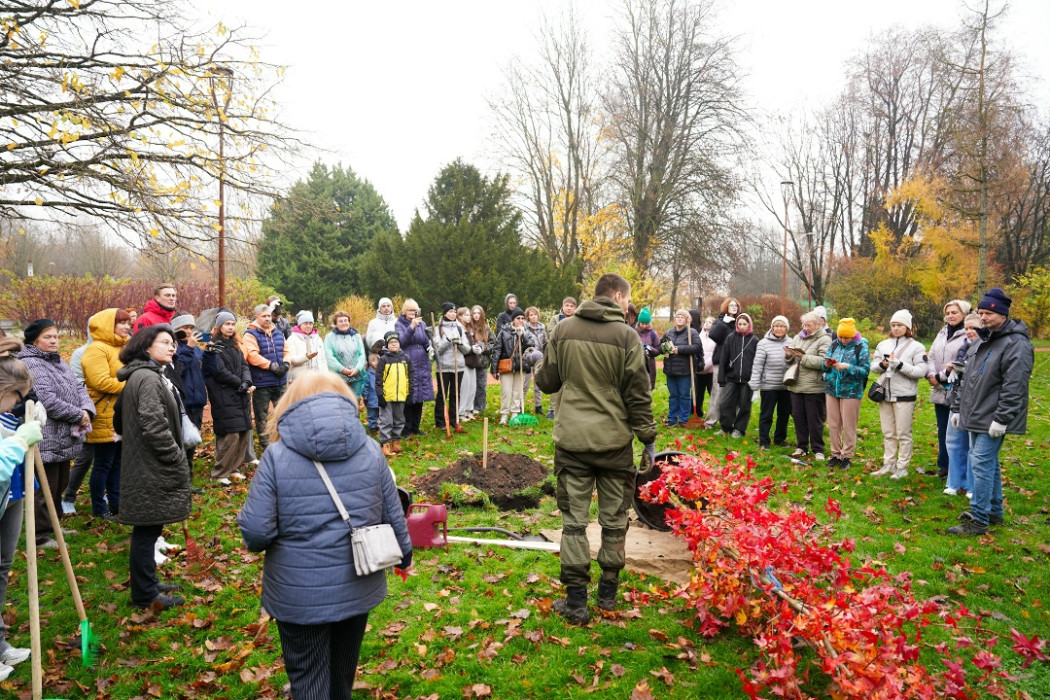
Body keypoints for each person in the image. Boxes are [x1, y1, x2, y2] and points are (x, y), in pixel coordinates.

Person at [237, 371, 412, 700]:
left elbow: (256, 533)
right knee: (342, 671)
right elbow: (394, 515)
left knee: (308, 677)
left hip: (299, 593)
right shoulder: (371, 450)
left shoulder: (275, 457)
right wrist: (405, 555)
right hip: (359, 582)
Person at [535, 274, 657, 625]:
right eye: (627, 299)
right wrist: (647, 438)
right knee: (614, 521)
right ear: (618, 296)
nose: (627, 305)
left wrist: (543, 358)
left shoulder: (563, 329)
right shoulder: (627, 337)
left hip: (572, 442)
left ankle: (576, 602)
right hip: (614, 444)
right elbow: (638, 395)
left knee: (573, 524)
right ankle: (607, 594)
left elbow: (547, 382)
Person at [115, 325, 192, 610]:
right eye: (164, 342)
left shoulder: (145, 375)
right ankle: (145, 594)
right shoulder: (147, 378)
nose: (172, 347)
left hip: (145, 462)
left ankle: (147, 583)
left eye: (173, 343)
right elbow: (152, 423)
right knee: (147, 530)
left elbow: (119, 417)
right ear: (146, 347)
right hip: (150, 464)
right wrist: (175, 455)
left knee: (149, 527)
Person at [947, 288, 1033, 536]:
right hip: (975, 413)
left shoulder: (1016, 344)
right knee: (987, 462)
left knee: (981, 462)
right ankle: (994, 512)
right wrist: (957, 408)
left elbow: (1015, 385)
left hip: (994, 416)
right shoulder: (983, 341)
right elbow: (966, 378)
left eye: (988, 314)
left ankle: (979, 518)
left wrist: (1002, 418)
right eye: (980, 313)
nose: (983, 318)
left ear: (1003, 314)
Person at [18, 319, 94, 548]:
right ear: (34, 340)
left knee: (60, 482)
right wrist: (77, 415)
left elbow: (78, 387)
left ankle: (54, 526)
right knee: (45, 487)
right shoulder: (31, 363)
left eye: (55, 336)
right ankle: (40, 535)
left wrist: (87, 409)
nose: (53, 341)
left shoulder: (57, 359)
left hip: (64, 435)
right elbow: (47, 400)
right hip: (47, 435)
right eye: (47, 337)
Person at [0, 339, 44, 679]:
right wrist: (17, 442)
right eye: (15, 398)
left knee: (2, 566)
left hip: (10, 494)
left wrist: (29, 417)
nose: (14, 406)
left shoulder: (7, 414)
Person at [83, 308, 132, 519]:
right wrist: (133, 384)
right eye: (121, 322)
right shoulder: (97, 349)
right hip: (104, 415)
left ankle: (117, 505)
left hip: (121, 415)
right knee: (103, 464)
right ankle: (99, 509)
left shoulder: (123, 348)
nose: (127, 326)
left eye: (128, 323)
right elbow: (100, 382)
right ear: (107, 324)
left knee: (118, 463)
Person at [869, 310, 927, 478]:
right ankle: (889, 463)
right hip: (884, 393)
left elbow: (920, 371)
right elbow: (873, 367)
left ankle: (902, 466)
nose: (895, 328)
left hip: (905, 395)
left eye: (899, 325)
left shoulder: (917, 347)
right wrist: (883, 364)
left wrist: (900, 365)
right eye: (893, 325)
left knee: (903, 433)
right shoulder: (883, 345)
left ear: (907, 327)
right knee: (888, 432)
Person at [203, 311, 254, 485]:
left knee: (242, 433)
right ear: (219, 327)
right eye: (227, 324)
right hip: (224, 395)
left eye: (232, 324)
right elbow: (218, 371)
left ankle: (234, 469)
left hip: (240, 395)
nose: (230, 327)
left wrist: (246, 381)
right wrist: (239, 382)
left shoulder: (235, 345)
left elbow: (244, 365)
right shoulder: (213, 346)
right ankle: (219, 473)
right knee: (230, 435)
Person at [926, 299, 973, 479]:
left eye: (954, 312)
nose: (950, 316)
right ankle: (944, 466)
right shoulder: (942, 332)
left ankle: (958, 470)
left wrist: (941, 376)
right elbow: (930, 356)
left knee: (958, 433)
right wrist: (932, 376)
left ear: (964, 313)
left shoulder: (968, 333)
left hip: (958, 390)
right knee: (942, 430)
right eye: (947, 313)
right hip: (939, 389)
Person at [943, 313, 981, 498]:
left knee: (973, 446)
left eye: (973, 327)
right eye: (966, 328)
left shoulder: (987, 347)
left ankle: (972, 485)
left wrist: (968, 370)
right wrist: (953, 370)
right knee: (953, 442)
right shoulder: (964, 347)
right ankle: (954, 482)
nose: (970, 332)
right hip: (957, 400)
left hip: (978, 404)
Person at [824, 318, 871, 467]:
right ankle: (835, 454)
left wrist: (848, 367)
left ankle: (847, 456)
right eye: (841, 337)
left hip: (851, 392)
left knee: (849, 424)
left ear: (852, 335)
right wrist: (826, 364)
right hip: (832, 389)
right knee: (833, 424)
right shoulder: (834, 344)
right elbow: (824, 365)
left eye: (846, 337)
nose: (843, 340)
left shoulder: (861, 346)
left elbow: (864, 371)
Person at [785, 312, 832, 461]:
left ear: (819, 325)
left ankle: (818, 449)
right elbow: (790, 361)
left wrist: (803, 357)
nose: (806, 328)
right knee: (799, 418)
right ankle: (801, 447)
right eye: (804, 325)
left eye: (809, 325)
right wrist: (788, 355)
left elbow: (824, 362)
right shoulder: (798, 337)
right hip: (796, 384)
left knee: (815, 420)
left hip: (814, 386)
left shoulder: (824, 339)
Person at [242, 303, 289, 451]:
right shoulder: (251, 334)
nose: (268, 319)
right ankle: (265, 444)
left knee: (283, 412)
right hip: (262, 381)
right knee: (261, 415)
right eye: (264, 316)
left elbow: (286, 349)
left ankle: (283, 439)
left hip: (280, 380)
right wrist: (271, 365)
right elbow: (252, 355)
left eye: (269, 315)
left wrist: (286, 363)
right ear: (256, 317)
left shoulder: (278, 332)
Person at [62, 319, 94, 515]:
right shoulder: (81, 353)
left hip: (112, 411)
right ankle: (69, 496)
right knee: (86, 455)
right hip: (90, 411)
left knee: (108, 457)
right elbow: (76, 384)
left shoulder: (116, 350)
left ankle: (100, 493)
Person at [749, 315, 792, 450]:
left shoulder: (792, 342)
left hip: (786, 386)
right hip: (769, 386)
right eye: (776, 326)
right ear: (772, 327)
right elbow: (757, 366)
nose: (779, 329)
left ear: (786, 328)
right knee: (766, 414)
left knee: (784, 414)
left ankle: (780, 438)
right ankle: (764, 441)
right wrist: (755, 387)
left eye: (782, 326)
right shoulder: (763, 343)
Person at [490, 308, 538, 426]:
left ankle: (515, 412)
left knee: (517, 391)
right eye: (518, 318)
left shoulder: (527, 331)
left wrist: (523, 336)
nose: (521, 320)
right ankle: (504, 414)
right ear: (513, 320)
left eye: (522, 318)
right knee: (506, 391)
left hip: (521, 365)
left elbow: (531, 346)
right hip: (507, 365)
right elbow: (497, 349)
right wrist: (494, 368)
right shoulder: (504, 331)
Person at [171, 313, 206, 472]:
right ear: (176, 330)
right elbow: (178, 371)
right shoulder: (173, 349)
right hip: (182, 402)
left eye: (191, 327)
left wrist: (211, 353)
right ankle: (178, 476)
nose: (189, 331)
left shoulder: (197, 349)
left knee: (192, 440)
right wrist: (189, 348)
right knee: (180, 441)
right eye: (185, 328)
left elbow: (210, 370)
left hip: (197, 401)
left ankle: (188, 476)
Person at [394, 300, 434, 437]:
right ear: (405, 311)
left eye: (415, 310)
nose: (413, 313)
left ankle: (416, 427)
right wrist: (411, 327)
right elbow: (401, 342)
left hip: (422, 362)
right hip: (408, 361)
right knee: (409, 396)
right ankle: (405, 428)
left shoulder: (422, 324)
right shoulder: (399, 324)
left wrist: (430, 349)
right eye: (410, 310)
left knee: (420, 395)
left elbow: (425, 341)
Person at [659, 309, 703, 427]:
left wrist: (679, 349)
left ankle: (683, 419)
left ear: (687, 320)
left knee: (684, 395)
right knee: (673, 395)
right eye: (677, 316)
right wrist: (662, 348)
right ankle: (672, 418)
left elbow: (697, 347)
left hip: (685, 370)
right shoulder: (669, 332)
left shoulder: (692, 332)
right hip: (670, 369)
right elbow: (660, 346)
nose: (679, 318)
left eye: (682, 317)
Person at [717, 314, 758, 438]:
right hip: (732, 377)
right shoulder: (730, 338)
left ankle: (739, 429)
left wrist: (756, 379)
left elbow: (757, 361)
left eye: (744, 324)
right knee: (725, 403)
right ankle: (725, 427)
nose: (742, 326)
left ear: (749, 325)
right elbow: (723, 358)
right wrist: (721, 377)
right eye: (739, 324)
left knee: (744, 405)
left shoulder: (755, 340)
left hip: (747, 379)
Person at [704, 297, 740, 429]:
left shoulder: (740, 322)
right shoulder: (720, 321)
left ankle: (733, 422)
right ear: (726, 307)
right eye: (731, 305)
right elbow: (714, 336)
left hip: (736, 363)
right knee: (718, 391)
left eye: (736, 305)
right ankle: (711, 421)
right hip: (721, 361)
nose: (734, 307)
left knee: (735, 392)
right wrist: (724, 323)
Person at [376, 332, 412, 457]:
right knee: (386, 420)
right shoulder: (384, 360)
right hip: (387, 396)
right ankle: (385, 443)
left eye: (396, 342)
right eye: (391, 343)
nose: (394, 344)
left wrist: (409, 392)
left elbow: (410, 376)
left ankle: (396, 440)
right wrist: (380, 394)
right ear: (387, 345)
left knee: (399, 419)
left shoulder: (405, 359)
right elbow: (379, 379)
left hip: (401, 395)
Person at [324, 310, 367, 401]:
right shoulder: (330, 337)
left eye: (345, 321)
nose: (344, 323)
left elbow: (362, 355)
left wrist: (357, 369)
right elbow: (329, 357)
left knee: (355, 402)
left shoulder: (356, 336)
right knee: (340, 402)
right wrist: (343, 370)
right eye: (340, 321)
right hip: (339, 377)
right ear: (335, 323)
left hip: (356, 376)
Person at [523, 307, 550, 417]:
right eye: (531, 315)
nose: (533, 316)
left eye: (535, 314)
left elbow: (545, 343)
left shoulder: (542, 327)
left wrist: (545, 357)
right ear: (528, 317)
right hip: (528, 359)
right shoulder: (525, 328)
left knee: (538, 384)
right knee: (525, 384)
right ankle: (520, 406)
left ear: (538, 316)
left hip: (539, 359)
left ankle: (538, 407)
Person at [285, 311, 324, 384]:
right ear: (300, 324)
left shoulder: (318, 339)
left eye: (310, 323)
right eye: (305, 323)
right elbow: (291, 359)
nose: (308, 326)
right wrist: (306, 357)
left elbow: (323, 360)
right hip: (299, 381)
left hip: (317, 379)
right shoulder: (292, 339)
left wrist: (325, 375)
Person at [469, 305, 493, 416]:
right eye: (474, 313)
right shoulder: (468, 328)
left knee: (481, 386)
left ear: (482, 314)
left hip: (482, 362)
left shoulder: (486, 328)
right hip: (470, 362)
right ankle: (470, 407)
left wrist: (483, 347)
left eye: (478, 313)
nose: (476, 315)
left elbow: (493, 344)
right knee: (470, 385)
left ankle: (480, 407)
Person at [456, 308, 478, 423]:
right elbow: (462, 345)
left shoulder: (469, 329)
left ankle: (469, 410)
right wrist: (471, 349)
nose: (469, 317)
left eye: (469, 315)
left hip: (472, 360)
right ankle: (461, 412)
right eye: (466, 315)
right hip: (463, 361)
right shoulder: (458, 328)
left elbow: (473, 342)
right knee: (464, 388)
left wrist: (477, 347)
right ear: (460, 316)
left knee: (472, 387)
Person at [634, 307, 660, 391]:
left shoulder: (653, 334)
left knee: (648, 389)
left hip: (650, 365)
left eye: (646, 323)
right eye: (642, 323)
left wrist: (650, 349)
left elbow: (658, 350)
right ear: (639, 322)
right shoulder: (633, 333)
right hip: (637, 364)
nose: (644, 325)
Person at [362, 353, 380, 433]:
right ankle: (372, 427)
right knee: (372, 414)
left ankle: (378, 426)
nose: (376, 362)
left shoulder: (381, 372)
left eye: (377, 360)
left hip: (380, 399)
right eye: (373, 360)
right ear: (369, 362)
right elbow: (365, 386)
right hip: (371, 399)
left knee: (380, 413)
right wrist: (365, 397)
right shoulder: (368, 374)